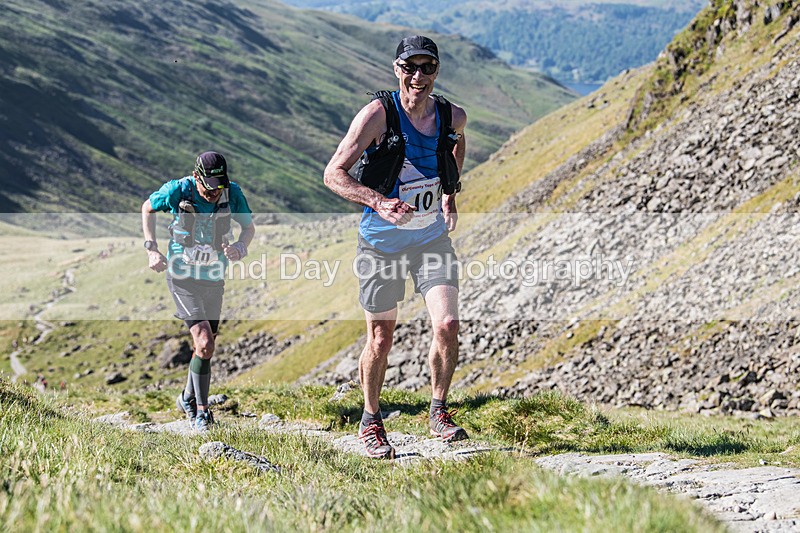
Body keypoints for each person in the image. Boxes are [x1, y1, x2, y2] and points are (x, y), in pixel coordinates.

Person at [324, 36, 468, 459]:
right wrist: (377, 201)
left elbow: (458, 140)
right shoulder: (378, 114)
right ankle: (371, 419)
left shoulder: (451, 115)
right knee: (380, 339)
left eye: (427, 67)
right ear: (396, 69)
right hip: (381, 244)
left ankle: (438, 411)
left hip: (430, 239)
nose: (418, 76)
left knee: (447, 324)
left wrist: (450, 194)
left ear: (436, 71)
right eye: (410, 67)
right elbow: (333, 173)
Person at [141, 151, 254, 431]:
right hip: (182, 277)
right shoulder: (177, 190)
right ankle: (201, 413)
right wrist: (151, 249)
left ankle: (186, 398)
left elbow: (248, 228)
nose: (215, 192)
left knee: (206, 346)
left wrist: (241, 246)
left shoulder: (232, 193)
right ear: (196, 177)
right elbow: (147, 208)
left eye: (220, 185)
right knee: (204, 342)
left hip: (214, 277)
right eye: (209, 186)